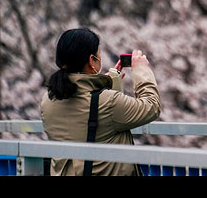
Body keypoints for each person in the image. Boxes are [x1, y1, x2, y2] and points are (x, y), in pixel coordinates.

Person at [40, 28, 161, 176]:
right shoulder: (108, 102)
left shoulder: (48, 100)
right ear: (92, 60)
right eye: (98, 53)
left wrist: (105, 83)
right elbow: (151, 106)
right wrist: (141, 70)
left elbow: (89, 110)